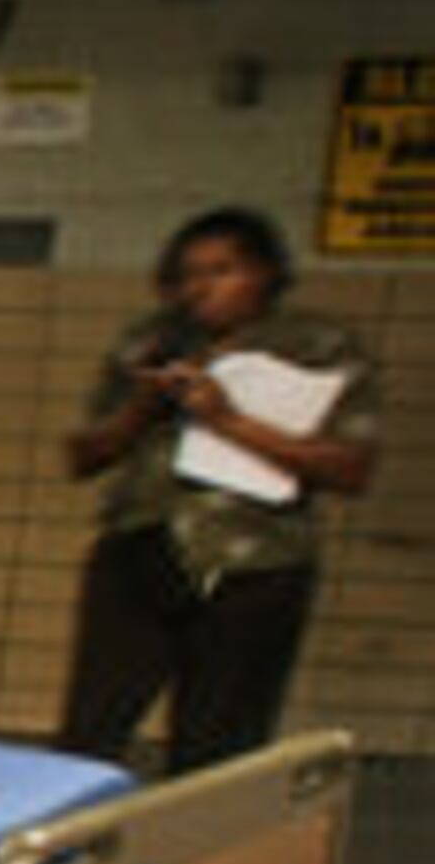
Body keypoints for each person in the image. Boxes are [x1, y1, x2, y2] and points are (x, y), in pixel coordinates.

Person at [57, 206, 380, 776]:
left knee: (218, 742)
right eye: (188, 275)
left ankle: (201, 860)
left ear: (266, 274)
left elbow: (350, 470)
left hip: (257, 561)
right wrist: (142, 405)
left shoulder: (318, 346)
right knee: (90, 728)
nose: (201, 288)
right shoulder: (150, 339)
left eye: (222, 270)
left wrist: (225, 419)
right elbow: (83, 456)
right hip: (141, 547)